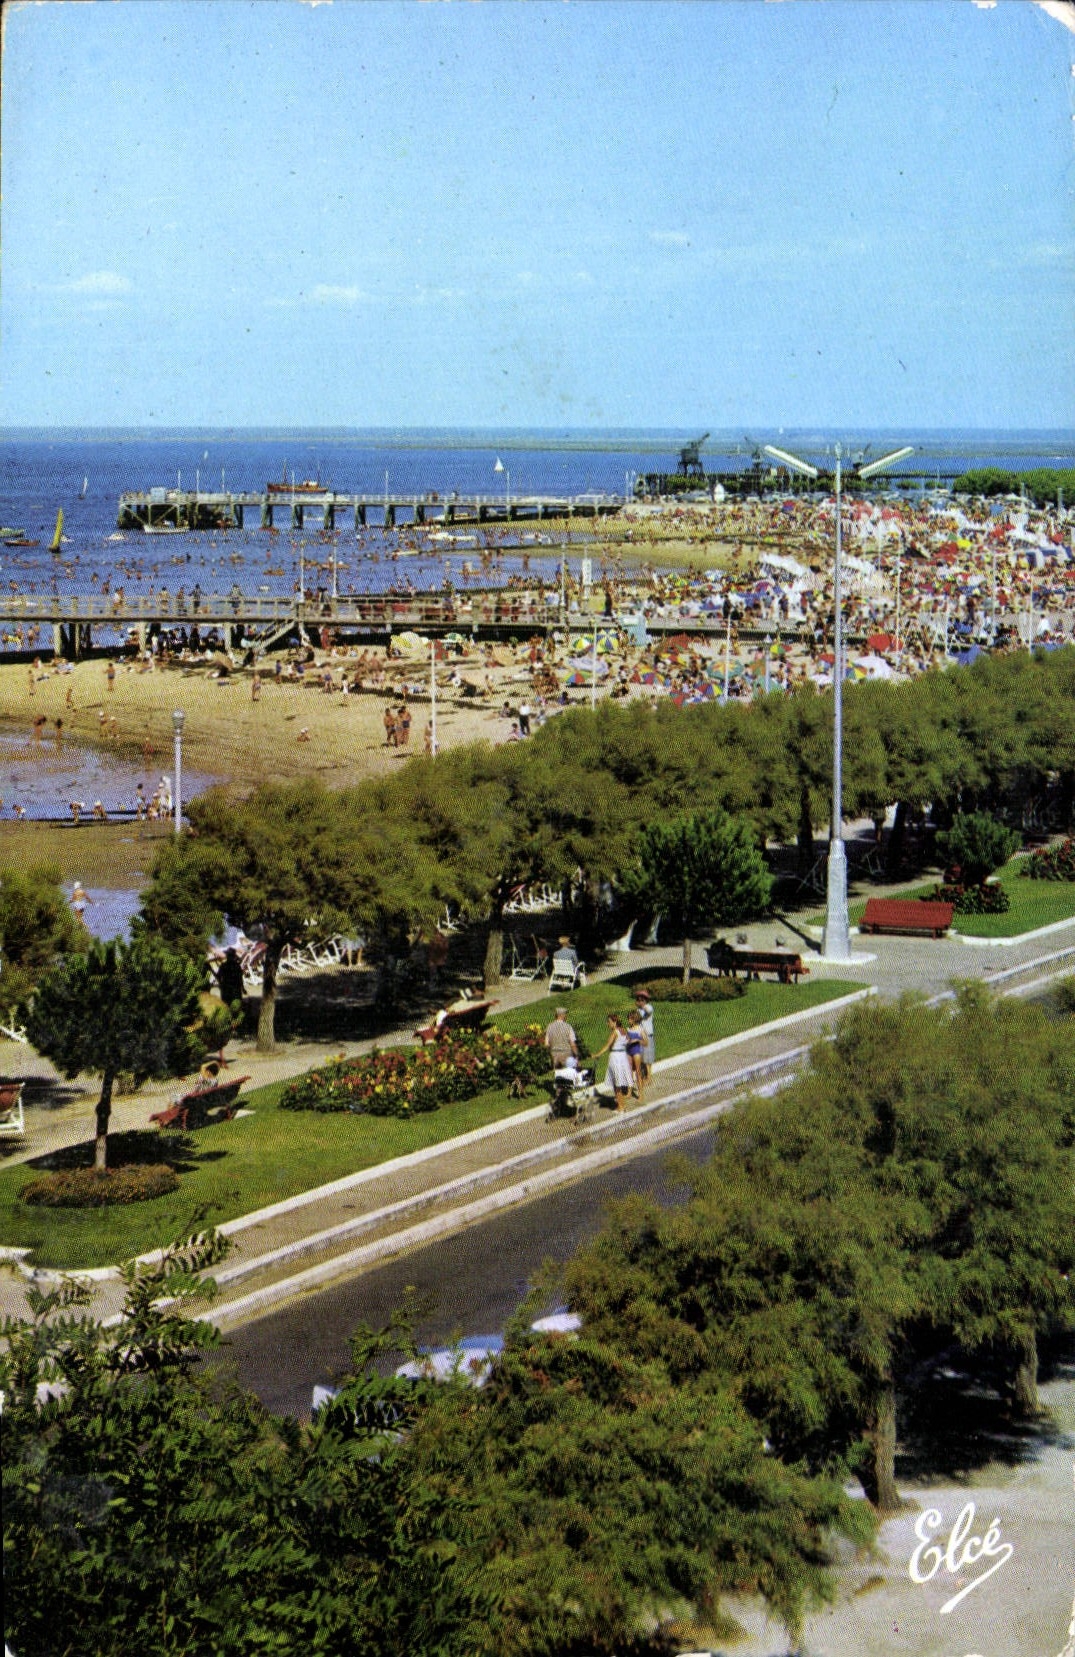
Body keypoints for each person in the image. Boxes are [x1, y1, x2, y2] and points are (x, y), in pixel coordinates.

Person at [593, 1012, 632, 1111]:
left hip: (615, 1057)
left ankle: (620, 1106)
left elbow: (607, 1045)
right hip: (622, 1057)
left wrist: (597, 1054)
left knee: (616, 1084)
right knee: (619, 1082)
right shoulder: (624, 1030)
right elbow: (629, 1041)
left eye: (609, 1022)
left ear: (615, 1022)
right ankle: (622, 1105)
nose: (608, 1024)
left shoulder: (615, 1032)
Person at [634, 988, 655, 1080]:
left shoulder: (649, 1007)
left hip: (648, 1035)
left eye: (642, 999)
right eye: (638, 999)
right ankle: (644, 1076)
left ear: (645, 1000)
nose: (640, 1001)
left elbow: (648, 1011)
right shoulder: (638, 1010)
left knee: (648, 1057)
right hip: (640, 1036)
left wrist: (642, 1005)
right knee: (642, 1057)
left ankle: (649, 1077)